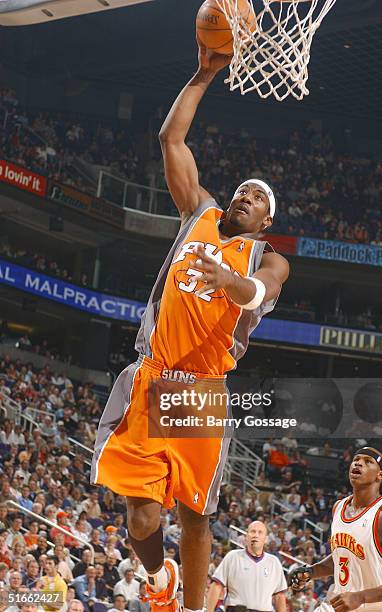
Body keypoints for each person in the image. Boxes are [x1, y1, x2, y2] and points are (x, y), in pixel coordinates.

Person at [91, 41, 289, 612]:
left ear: (266, 220)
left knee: (197, 514)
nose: (246, 197)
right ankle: (159, 577)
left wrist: (229, 284)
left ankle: (196, 609)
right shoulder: (198, 214)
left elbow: (262, 292)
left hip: (203, 389)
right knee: (140, 512)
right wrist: (202, 76)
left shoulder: (266, 258)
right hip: (153, 376)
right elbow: (171, 140)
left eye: (258, 198)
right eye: (244, 190)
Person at [288, 447, 382, 611]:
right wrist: (311, 571)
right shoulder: (339, 507)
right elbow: (343, 558)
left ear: (380, 475)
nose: (359, 463)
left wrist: (361, 597)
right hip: (341, 603)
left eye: (367, 462)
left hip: (378, 608)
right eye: (356, 460)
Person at [207, 520, 287, 612]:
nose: (256, 535)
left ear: (266, 539)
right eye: (252, 531)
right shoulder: (233, 556)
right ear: (246, 537)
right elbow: (216, 586)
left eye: (260, 532)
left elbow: (279, 596)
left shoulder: (274, 562)